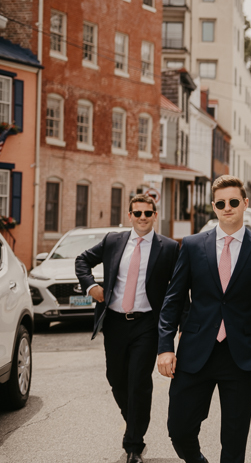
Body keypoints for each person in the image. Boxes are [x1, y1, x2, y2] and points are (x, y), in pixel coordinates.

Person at [157, 175, 251, 463]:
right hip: (194, 352)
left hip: (241, 356)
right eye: (221, 203)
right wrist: (165, 346)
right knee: (178, 429)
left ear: (245, 204)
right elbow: (173, 300)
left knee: (234, 440)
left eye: (234, 202)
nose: (228, 207)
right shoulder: (191, 245)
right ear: (214, 207)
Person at [75, 194, 179, 463]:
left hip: (147, 323)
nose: (142, 217)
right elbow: (82, 260)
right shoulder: (113, 241)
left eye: (147, 213)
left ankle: (134, 444)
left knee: (138, 384)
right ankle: (134, 420)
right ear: (129, 216)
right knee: (116, 379)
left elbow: (179, 289)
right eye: (137, 213)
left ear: (155, 215)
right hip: (115, 322)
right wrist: (91, 286)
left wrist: (179, 325)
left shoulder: (168, 248)